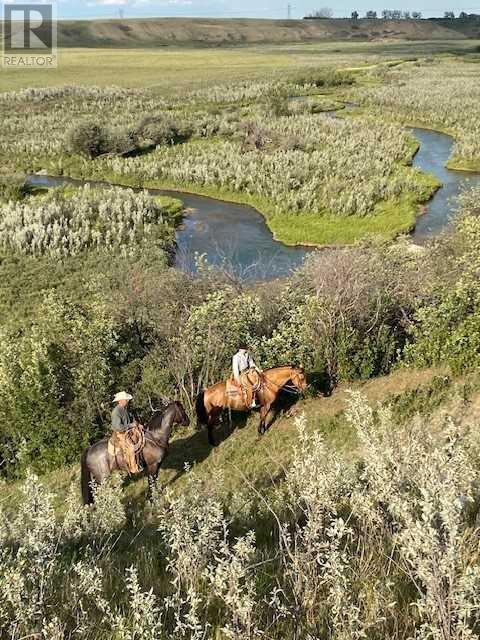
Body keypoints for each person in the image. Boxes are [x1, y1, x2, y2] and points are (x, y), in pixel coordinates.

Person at [111, 391, 142, 474]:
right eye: (126, 400)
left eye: (127, 400)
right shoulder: (116, 412)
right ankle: (133, 468)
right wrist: (131, 425)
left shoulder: (125, 409)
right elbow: (118, 427)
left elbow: (130, 420)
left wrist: (137, 425)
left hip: (128, 431)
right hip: (120, 434)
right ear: (120, 401)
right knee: (131, 447)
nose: (127, 401)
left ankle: (141, 460)